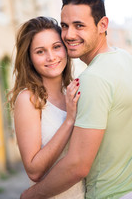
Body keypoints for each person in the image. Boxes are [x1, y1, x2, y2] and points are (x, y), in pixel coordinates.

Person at [20, 0, 132, 199]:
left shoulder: (93, 79)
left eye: (79, 26)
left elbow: (78, 165)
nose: (69, 35)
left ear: (103, 25)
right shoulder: (125, 59)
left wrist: (29, 196)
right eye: (65, 26)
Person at [8, 16, 85, 198]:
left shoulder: (73, 91)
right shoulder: (28, 99)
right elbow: (34, 171)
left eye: (56, 47)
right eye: (40, 51)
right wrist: (69, 121)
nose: (51, 57)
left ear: (65, 49)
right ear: (29, 58)